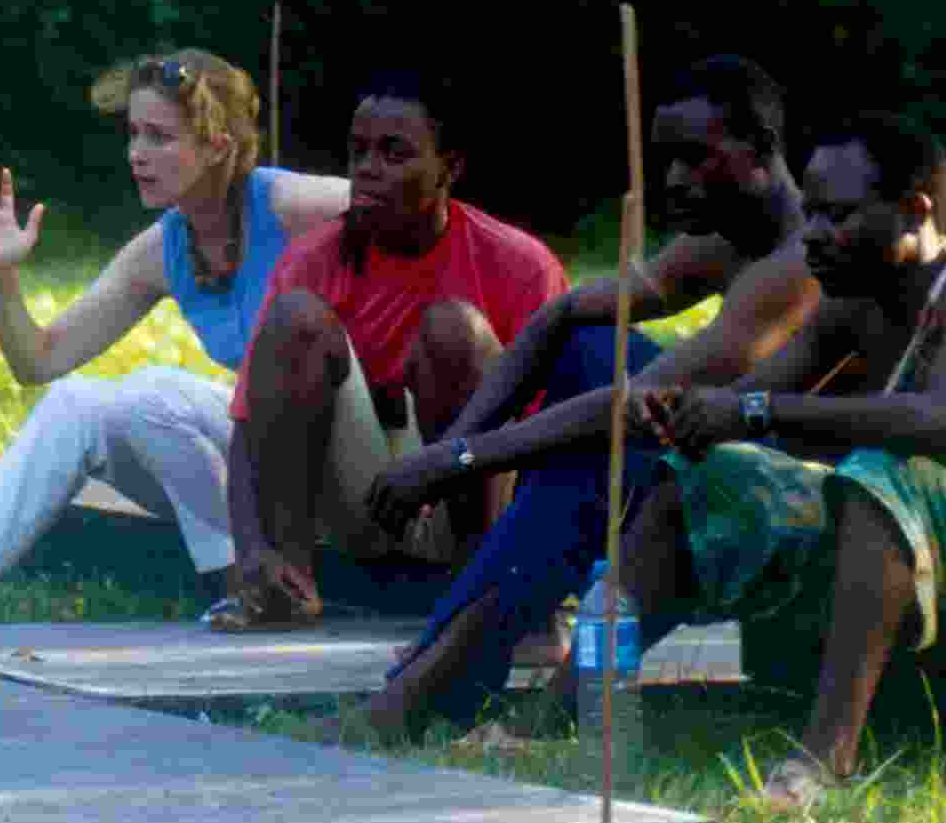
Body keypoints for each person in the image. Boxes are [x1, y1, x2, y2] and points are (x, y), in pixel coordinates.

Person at [616, 113, 946, 807]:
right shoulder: (853, 300)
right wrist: (685, 416)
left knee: (880, 472)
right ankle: (568, 709)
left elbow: (945, 422)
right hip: (934, 556)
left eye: (837, 215)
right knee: (703, 477)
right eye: (810, 213)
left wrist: (753, 412)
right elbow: (745, 405)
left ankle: (826, 760)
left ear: (915, 211)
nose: (812, 234)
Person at [346, 56, 830, 737]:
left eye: (696, 158)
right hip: (696, 436)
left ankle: (445, 665)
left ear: (760, 148)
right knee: (588, 350)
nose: (674, 179)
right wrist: (452, 450)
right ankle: (461, 649)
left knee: (600, 446)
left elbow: (641, 404)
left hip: (798, 475)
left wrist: (460, 461)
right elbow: (563, 314)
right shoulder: (725, 240)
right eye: (667, 160)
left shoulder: (800, 263)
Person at [0, 50, 349, 637]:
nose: (136, 153)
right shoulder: (165, 248)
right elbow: (39, 361)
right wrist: (3, 275)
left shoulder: (292, 206)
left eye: (159, 136)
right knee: (78, 403)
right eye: (134, 133)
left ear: (218, 146)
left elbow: (418, 206)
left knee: (152, 391)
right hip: (271, 460)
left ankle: (258, 585)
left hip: (357, 449)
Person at [216, 71, 568, 626]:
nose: (367, 168)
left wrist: (541, 575)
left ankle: (480, 591)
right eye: (358, 151)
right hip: (356, 501)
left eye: (394, 153)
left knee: (455, 330)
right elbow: (248, 423)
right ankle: (289, 583)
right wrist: (251, 549)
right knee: (295, 318)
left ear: (450, 167)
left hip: (470, 493)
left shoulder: (521, 266)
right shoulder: (312, 258)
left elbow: (557, 435)